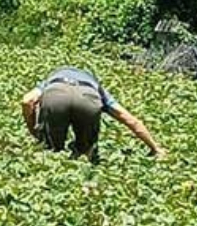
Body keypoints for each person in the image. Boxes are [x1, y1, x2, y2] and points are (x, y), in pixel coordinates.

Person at [22, 67, 165, 162]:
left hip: (56, 95)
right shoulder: (95, 86)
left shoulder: (52, 79)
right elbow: (130, 120)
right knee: (85, 153)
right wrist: (155, 148)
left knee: (51, 152)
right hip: (88, 98)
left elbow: (27, 101)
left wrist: (34, 132)